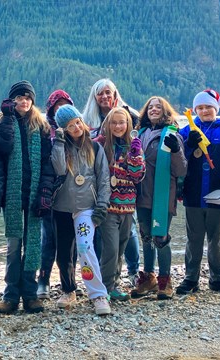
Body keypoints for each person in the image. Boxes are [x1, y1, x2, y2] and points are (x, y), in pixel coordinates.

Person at [0, 80, 54, 314]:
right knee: (12, 245)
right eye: (19, 97)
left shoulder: (41, 126)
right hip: (12, 195)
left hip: (35, 192)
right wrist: (8, 119)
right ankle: (10, 295)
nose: (24, 101)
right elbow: (2, 149)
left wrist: (45, 193)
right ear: (11, 100)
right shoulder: (0, 123)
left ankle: (30, 294)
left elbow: (47, 163)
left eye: (28, 97)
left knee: (32, 246)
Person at [176, 89, 220, 295]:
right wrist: (188, 146)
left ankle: (217, 278)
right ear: (195, 110)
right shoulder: (187, 131)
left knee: (217, 239)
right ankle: (190, 279)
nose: (204, 111)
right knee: (194, 238)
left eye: (208, 107)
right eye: (200, 108)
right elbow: (177, 160)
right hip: (193, 194)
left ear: (216, 109)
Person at [51, 104, 112, 315]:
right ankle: (69, 290)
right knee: (64, 253)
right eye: (70, 126)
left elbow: (104, 178)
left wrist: (102, 204)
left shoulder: (95, 147)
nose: (76, 127)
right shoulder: (59, 145)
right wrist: (58, 142)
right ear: (63, 129)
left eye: (77, 122)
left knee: (85, 247)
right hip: (62, 207)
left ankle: (98, 295)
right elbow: (58, 169)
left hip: (87, 207)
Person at [82, 78, 141, 283]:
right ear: (95, 96)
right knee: (108, 243)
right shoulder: (91, 125)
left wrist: (134, 153)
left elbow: (138, 173)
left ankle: (132, 272)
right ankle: (104, 283)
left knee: (127, 237)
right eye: (101, 93)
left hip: (127, 200)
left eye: (109, 92)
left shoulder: (130, 121)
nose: (105, 96)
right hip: (104, 198)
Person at [132, 96, 187, 300]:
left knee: (160, 236)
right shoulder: (140, 134)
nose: (154, 110)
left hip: (163, 195)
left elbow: (181, 169)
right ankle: (148, 277)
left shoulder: (172, 134)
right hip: (142, 194)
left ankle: (165, 279)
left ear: (166, 112)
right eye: (150, 107)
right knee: (145, 236)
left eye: (158, 107)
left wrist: (175, 151)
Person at [95, 107, 146, 301]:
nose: (118, 126)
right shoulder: (100, 144)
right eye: (114, 122)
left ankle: (114, 284)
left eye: (122, 122)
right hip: (108, 206)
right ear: (108, 124)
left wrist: (134, 156)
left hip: (127, 206)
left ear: (128, 125)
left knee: (121, 246)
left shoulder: (133, 144)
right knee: (110, 248)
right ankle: (104, 288)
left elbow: (137, 176)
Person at [37, 89, 74, 299]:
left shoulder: (77, 128)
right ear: (51, 110)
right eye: (57, 106)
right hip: (50, 191)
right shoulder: (44, 130)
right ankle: (43, 279)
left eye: (65, 105)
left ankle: (68, 281)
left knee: (70, 242)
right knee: (48, 237)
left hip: (72, 193)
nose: (61, 109)